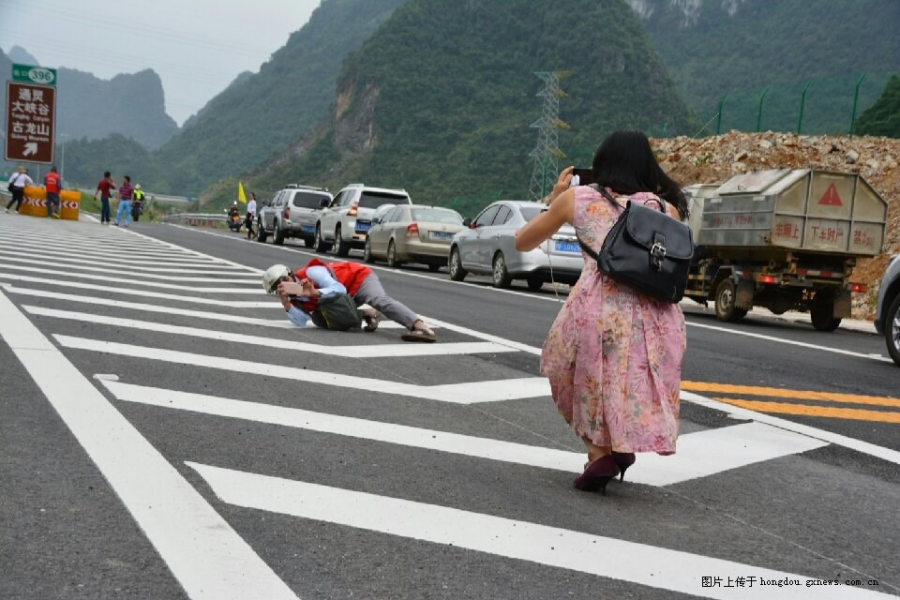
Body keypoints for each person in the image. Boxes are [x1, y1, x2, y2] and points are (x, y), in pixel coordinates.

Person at [515, 130, 688, 495]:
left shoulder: (577, 199)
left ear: (600, 164)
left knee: (576, 374)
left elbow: (523, 240)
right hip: (655, 314)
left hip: (598, 306)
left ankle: (599, 453)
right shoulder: (664, 208)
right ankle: (619, 448)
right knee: (629, 383)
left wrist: (555, 198)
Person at [263, 259, 437, 342]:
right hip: (345, 298)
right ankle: (366, 314)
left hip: (358, 279)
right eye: (277, 286)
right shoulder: (293, 299)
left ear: (290, 273)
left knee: (378, 299)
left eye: (284, 279)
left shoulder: (311, 272)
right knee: (318, 318)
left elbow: (339, 289)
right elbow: (300, 322)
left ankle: (420, 327)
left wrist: (314, 292)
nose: (283, 285)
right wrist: (285, 302)